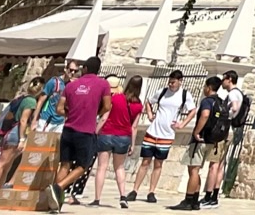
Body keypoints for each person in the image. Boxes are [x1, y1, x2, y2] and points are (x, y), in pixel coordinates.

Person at [54, 56, 112, 210]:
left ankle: (55, 201)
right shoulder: (103, 84)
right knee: (82, 165)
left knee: (65, 165)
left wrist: (71, 113)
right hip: (85, 131)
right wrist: (95, 113)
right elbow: (107, 106)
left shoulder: (71, 85)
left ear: (85, 68)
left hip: (68, 129)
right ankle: (58, 187)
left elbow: (59, 109)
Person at [130, 73, 188, 206]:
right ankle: (135, 190)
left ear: (180, 81)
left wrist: (182, 124)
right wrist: (150, 114)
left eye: (173, 82)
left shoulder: (184, 95)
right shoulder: (162, 92)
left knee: (158, 164)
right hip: (152, 132)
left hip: (166, 135)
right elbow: (149, 102)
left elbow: (192, 111)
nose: (170, 84)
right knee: (145, 161)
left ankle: (151, 191)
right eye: (170, 82)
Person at [171, 77, 227, 212]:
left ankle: (188, 200)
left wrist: (196, 132)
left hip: (200, 140)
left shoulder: (207, 101)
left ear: (209, 87)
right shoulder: (220, 102)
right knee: (197, 170)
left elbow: (205, 115)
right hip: (212, 141)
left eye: (205, 86)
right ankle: (195, 201)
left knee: (193, 170)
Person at [94, 75, 144, 207]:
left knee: (102, 167)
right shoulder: (139, 105)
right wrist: (132, 144)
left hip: (107, 134)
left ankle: (97, 199)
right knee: (119, 167)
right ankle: (123, 196)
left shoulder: (115, 98)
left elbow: (104, 117)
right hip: (124, 137)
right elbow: (134, 127)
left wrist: (96, 131)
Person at [0, 80, 39, 200]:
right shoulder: (31, 101)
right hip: (15, 134)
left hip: (10, 132)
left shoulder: (20, 98)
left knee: (6, 165)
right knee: (2, 164)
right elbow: (23, 120)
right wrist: (22, 139)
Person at [213, 74, 248, 199]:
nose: (222, 82)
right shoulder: (238, 93)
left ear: (230, 80)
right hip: (231, 129)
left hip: (226, 129)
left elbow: (234, 107)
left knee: (217, 162)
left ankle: (212, 193)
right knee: (221, 162)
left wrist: (224, 115)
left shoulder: (233, 93)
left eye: (224, 79)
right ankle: (216, 191)